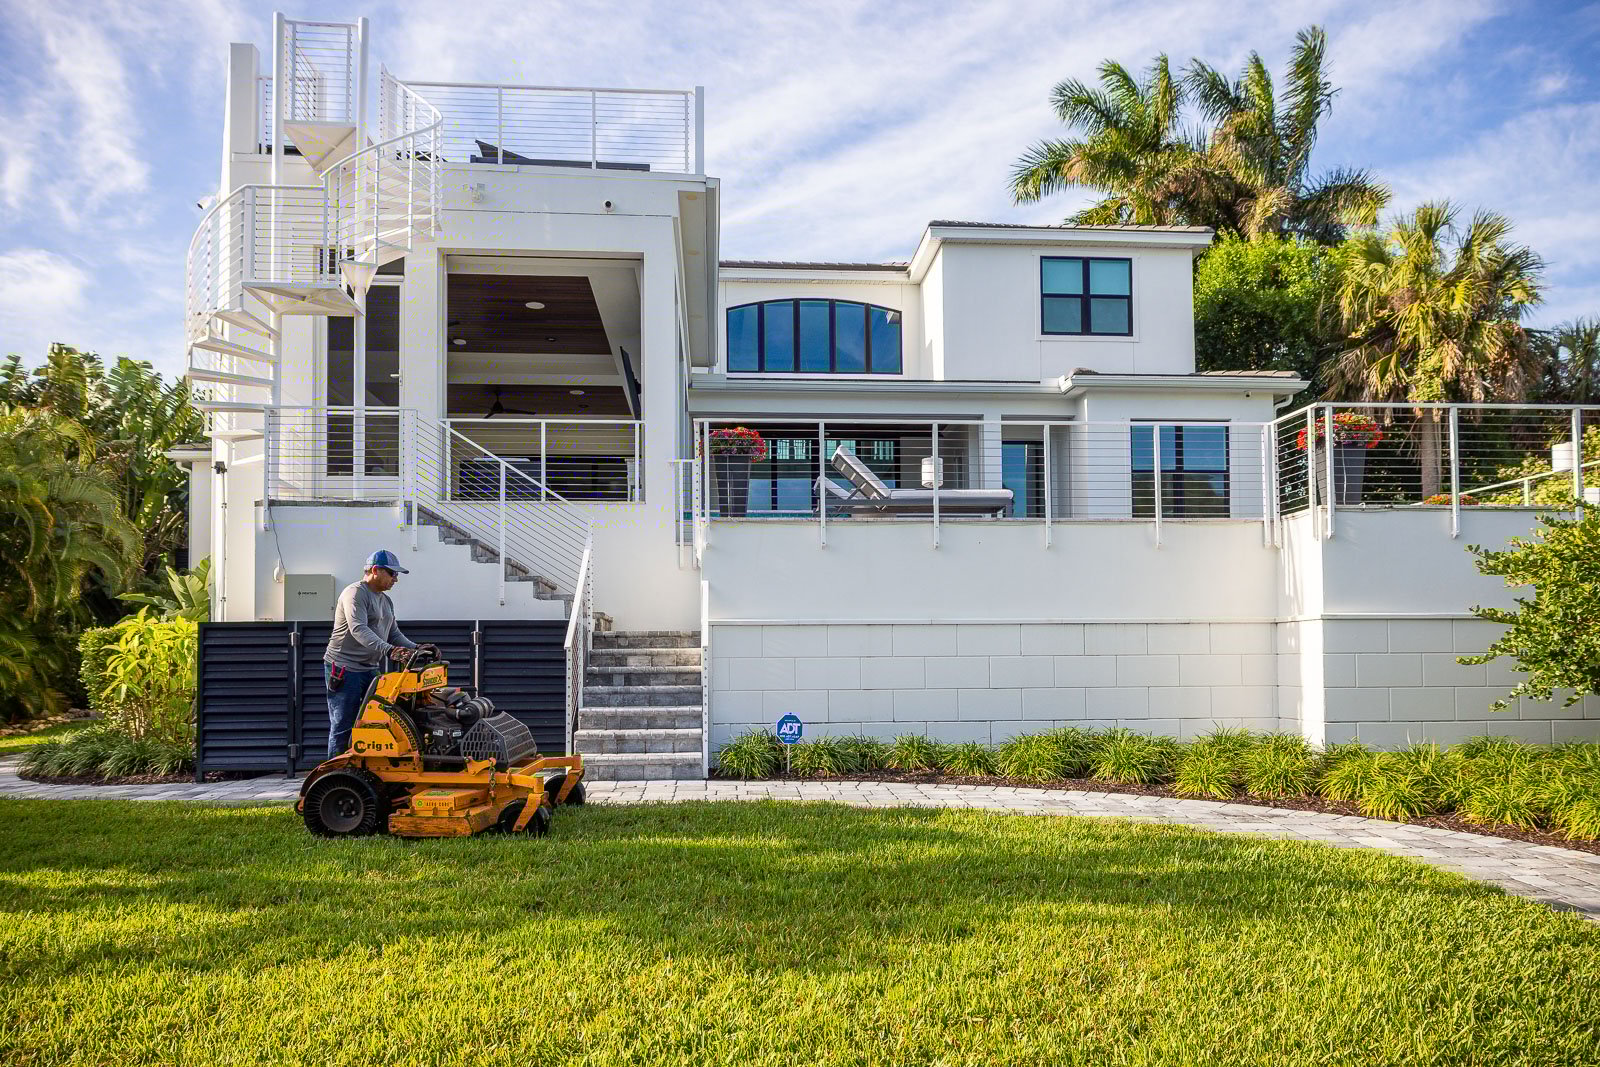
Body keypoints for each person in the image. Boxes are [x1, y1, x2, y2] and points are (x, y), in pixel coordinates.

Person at [323, 549, 418, 758]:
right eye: (392, 574)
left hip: (370, 668)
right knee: (343, 724)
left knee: (376, 721)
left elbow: (393, 633)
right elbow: (358, 629)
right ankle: (336, 775)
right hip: (344, 668)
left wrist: (417, 648)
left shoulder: (385, 601)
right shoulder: (355, 593)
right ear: (375, 570)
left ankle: (364, 769)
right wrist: (389, 651)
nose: (396, 579)